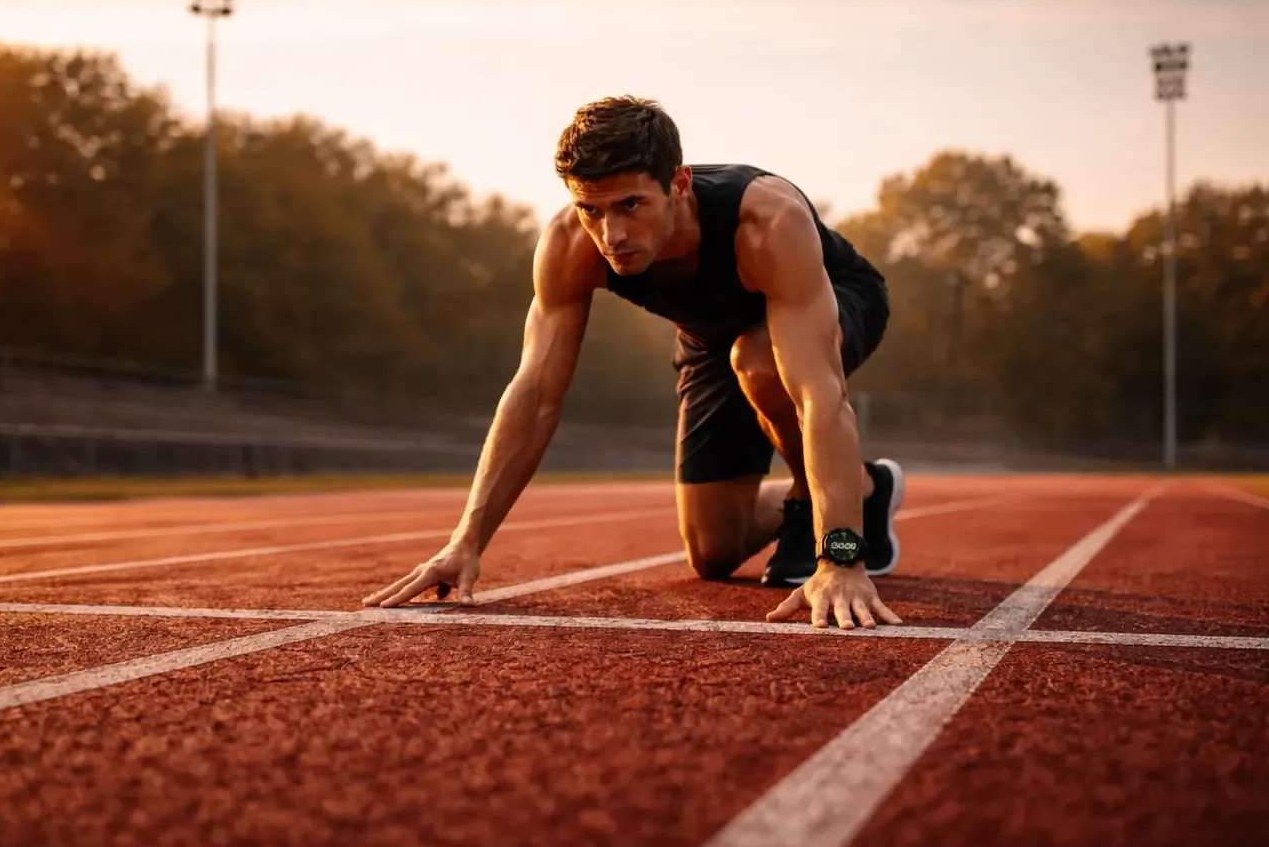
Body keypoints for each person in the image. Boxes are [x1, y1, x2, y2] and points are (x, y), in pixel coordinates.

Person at [363, 96, 905, 631]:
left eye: (630, 205)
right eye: (591, 209)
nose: (612, 236)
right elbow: (534, 395)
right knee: (713, 550)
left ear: (679, 185)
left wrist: (840, 559)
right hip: (710, 339)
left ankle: (828, 512)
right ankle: (866, 488)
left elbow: (820, 397)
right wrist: (466, 541)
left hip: (831, 303)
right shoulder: (569, 244)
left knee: (759, 362)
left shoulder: (767, 221)